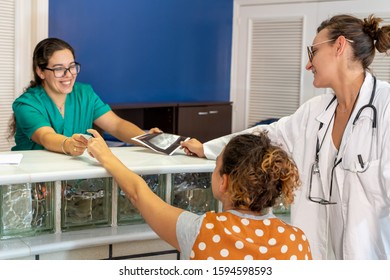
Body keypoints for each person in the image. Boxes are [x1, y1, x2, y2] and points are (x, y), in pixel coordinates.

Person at [181, 14, 390, 260]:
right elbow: (264, 137)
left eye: (313, 52)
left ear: (340, 46)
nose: (308, 65)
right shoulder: (315, 111)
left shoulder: (385, 108)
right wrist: (207, 148)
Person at [86, 128, 312, 260]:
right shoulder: (298, 241)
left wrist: (106, 156)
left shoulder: (202, 230)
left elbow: (138, 193)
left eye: (216, 165)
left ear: (224, 182)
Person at [10, 37, 160, 156]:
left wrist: (147, 139)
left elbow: (116, 125)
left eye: (72, 67)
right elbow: (45, 137)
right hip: (35, 182)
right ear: (40, 72)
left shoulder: (85, 94)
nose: (68, 75)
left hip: (72, 180)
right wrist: (68, 144)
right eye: (59, 69)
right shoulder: (26, 105)